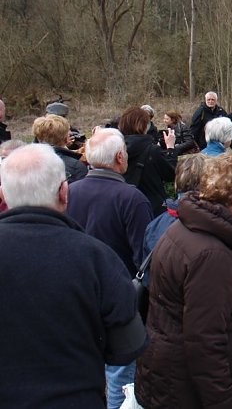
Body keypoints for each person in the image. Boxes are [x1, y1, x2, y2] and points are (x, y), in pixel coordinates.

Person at [0, 144, 146, 408]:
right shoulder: (97, 258)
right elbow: (126, 347)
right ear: (63, 192)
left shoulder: (96, 257)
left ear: (3, 194)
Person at [135, 154, 232, 409]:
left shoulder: (186, 226)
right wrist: (223, 401)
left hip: (169, 372)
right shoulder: (212, 255)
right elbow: (205, 341)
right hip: (185, 386)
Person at [65, 128, 154, 409]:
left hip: (77, 290)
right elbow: (145, 256)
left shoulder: (69, 192)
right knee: (121, 373)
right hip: (120, 295)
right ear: (119, 157)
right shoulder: (131, 197)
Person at [119, 107, 177, 215]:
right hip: (151, 207)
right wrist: (170, 148)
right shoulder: (152, 150)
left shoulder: (117, 149)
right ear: (144, 125)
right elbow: (171, 174)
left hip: (124, 206)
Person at [31, 114, 87, 184]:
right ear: (65, 138)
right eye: (68, 130)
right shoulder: (76, 167)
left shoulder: (25, 160)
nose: (70, 133)